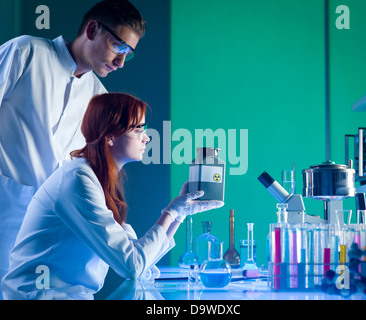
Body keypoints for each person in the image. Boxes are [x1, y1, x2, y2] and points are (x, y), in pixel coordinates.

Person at [1, 93, 224, 300]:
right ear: (110, 137)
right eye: (138, 130)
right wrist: (171, 211)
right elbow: (132, 265)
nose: (146, 138)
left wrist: (179, 215)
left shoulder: (99, 180)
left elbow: (139, 257)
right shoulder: (77, 181)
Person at [0, 0, 146, 293]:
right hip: (6, 207)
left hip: (47, 231)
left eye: (127, 55)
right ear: (92, 29)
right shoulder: (26, 52)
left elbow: (93, 172)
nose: (120, 62)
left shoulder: (97, 97)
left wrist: (128, 239)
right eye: (118, 47)